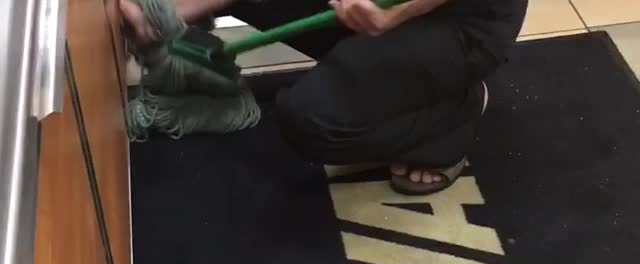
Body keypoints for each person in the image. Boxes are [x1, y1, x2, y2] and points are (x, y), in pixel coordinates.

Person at [121, 0, 528, 195]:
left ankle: (454, 113)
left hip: (461, 23)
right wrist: (171, 12)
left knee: (311, 121)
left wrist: (393, 14)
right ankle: (379, 70)